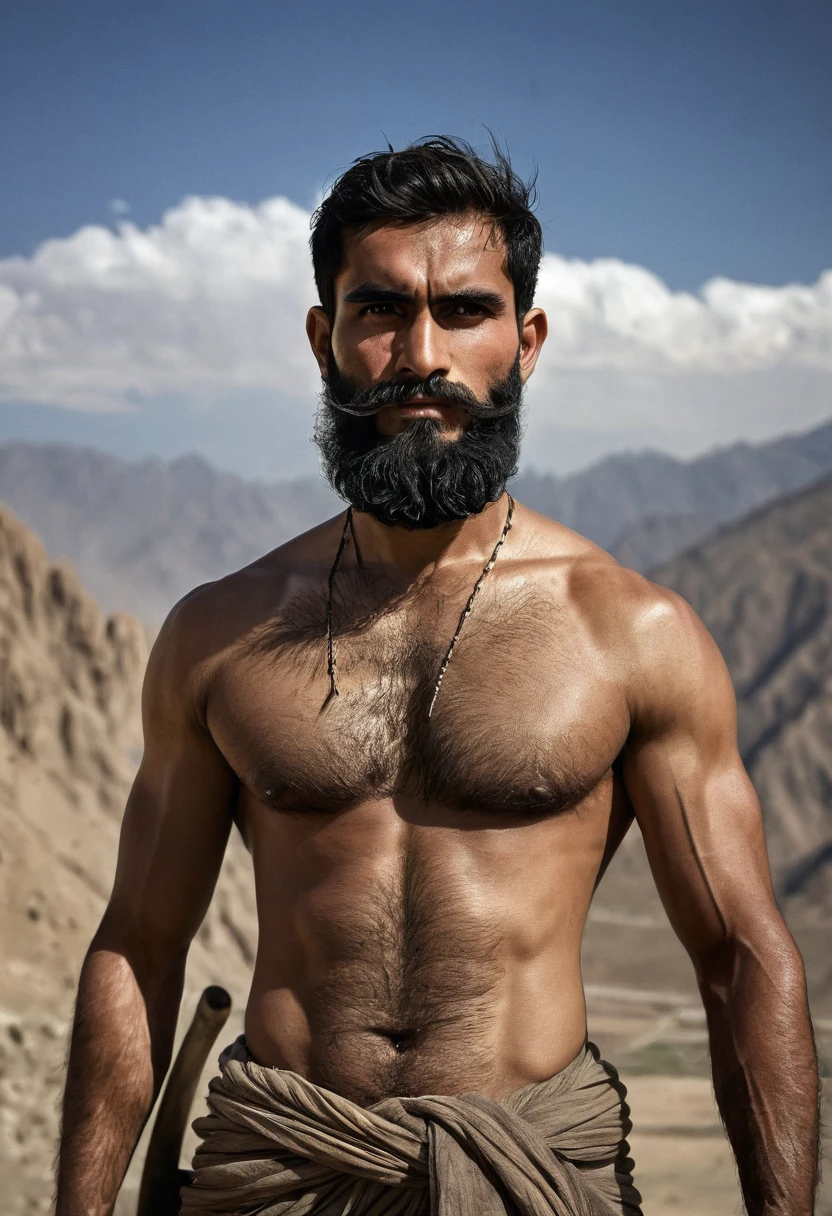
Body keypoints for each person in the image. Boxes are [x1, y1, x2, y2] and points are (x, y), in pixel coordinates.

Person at [56, 137, 818, 1216]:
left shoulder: (633, 632)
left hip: (530, 1172)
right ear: (325, 337)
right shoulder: (218, 632)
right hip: (283, 1169)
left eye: (463, 310)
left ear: (527, 338)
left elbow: (744, 957)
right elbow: (136, 947)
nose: (422, 352)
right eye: (379, 310)